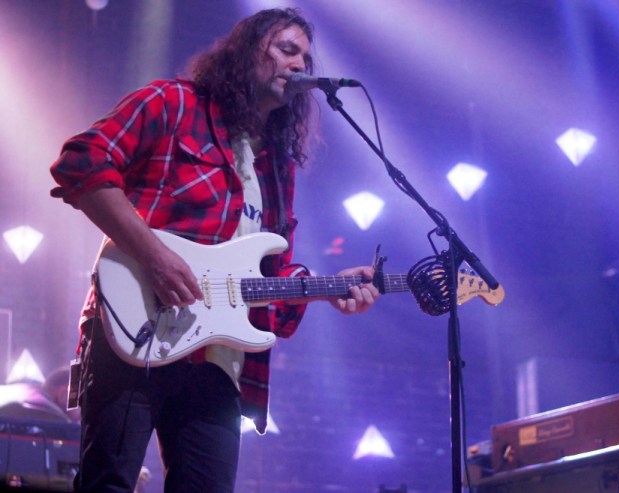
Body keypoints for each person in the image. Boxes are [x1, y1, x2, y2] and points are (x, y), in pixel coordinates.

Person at [49, 8, 379, 493]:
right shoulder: (172, 102)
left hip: (217, 359)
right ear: (248, 51)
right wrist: (154, 258)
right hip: (135, 330)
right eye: (288, 49)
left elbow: (268, 276)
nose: (300, 64)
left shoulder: (276, 163)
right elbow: (80, 163)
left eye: (307, 56)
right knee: (109, 483)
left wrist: (329, 290)